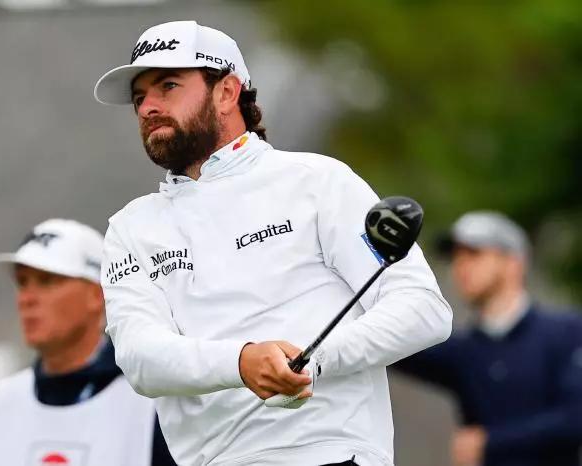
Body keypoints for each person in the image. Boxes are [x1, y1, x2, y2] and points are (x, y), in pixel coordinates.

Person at [93, 20, 452, 466]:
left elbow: (424, 310)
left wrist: (313, 359)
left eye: (168, 86)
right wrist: (243, 362)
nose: (148, 107)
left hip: (331, 454)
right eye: (139, 97)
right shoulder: (131, 227)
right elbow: (140, 357)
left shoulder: (318, 181)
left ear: (227, 92)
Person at [0, 218, 177, 466]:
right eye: (22, 282)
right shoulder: (1, 402)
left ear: (97, 295)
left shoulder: (152, 400)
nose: (26, 298)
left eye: (46, 281)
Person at [394, 211, 582, 466]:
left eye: (474, 253)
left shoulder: (567, 331)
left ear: (514, 262)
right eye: (456, 257)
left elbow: (574, 419)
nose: (461, 266)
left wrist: (490, 443)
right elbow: (391, 345)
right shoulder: (464, 351)